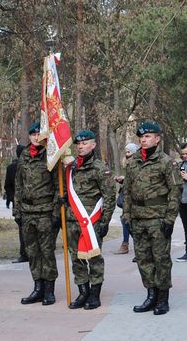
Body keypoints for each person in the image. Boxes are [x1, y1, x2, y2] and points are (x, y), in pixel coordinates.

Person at [122, 121, 182, 316]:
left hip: (158, 218)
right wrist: (127, 216)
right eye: (141, 137)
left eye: (148, 136)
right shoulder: (133, 162)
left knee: (161, 259)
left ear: (157, 138)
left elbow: (175, 191)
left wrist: (170, 219)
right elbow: (127, 192)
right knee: (143, 259)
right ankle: (151, 294)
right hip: (138, 219)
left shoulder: (166, 162)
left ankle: (163, 298)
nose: (144, 139)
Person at [64, 130, 116, 310]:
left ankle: (94, 294)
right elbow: (65, 192)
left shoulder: (100, 168)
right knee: (76, 258)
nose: (80, 146)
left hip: (91, 221)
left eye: (85, 143)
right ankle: (83, 292)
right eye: (78, 143)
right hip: (72, 221)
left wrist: (105, 222)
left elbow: (109, 197)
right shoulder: (70, 168)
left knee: (94, 258)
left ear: (93, 145)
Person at [14, 123, 59, 306]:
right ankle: (37, 287)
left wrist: (56, 212)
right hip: (27, 212)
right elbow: (18, 185)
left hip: (45, 211)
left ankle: (49, 290)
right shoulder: (24, 155)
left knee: (46, 251)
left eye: (38, 133)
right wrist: (17, 210)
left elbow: (58, 187)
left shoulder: (51, 155)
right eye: (32, 134)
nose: (35, 136)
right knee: (32, 252)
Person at [115, 143, 139, 255]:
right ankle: (125, 244)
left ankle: (140, 247)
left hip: (135, 198)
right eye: (126, 151)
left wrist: (125, 179)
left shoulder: (138, 163)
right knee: (125, 220)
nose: (127, 154)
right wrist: (122, 180)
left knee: (132, 222)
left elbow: (137, 180)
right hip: (126, 197)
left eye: (129, 151)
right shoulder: (127, 164)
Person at [6, 144, 28, 263]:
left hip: (31, 203)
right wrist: (11, 198)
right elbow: (8, 186)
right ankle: (24, 253)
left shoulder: (30, 165)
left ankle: (30, 253)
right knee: (21, 229)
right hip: (18, 203)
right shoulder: (11, 168)